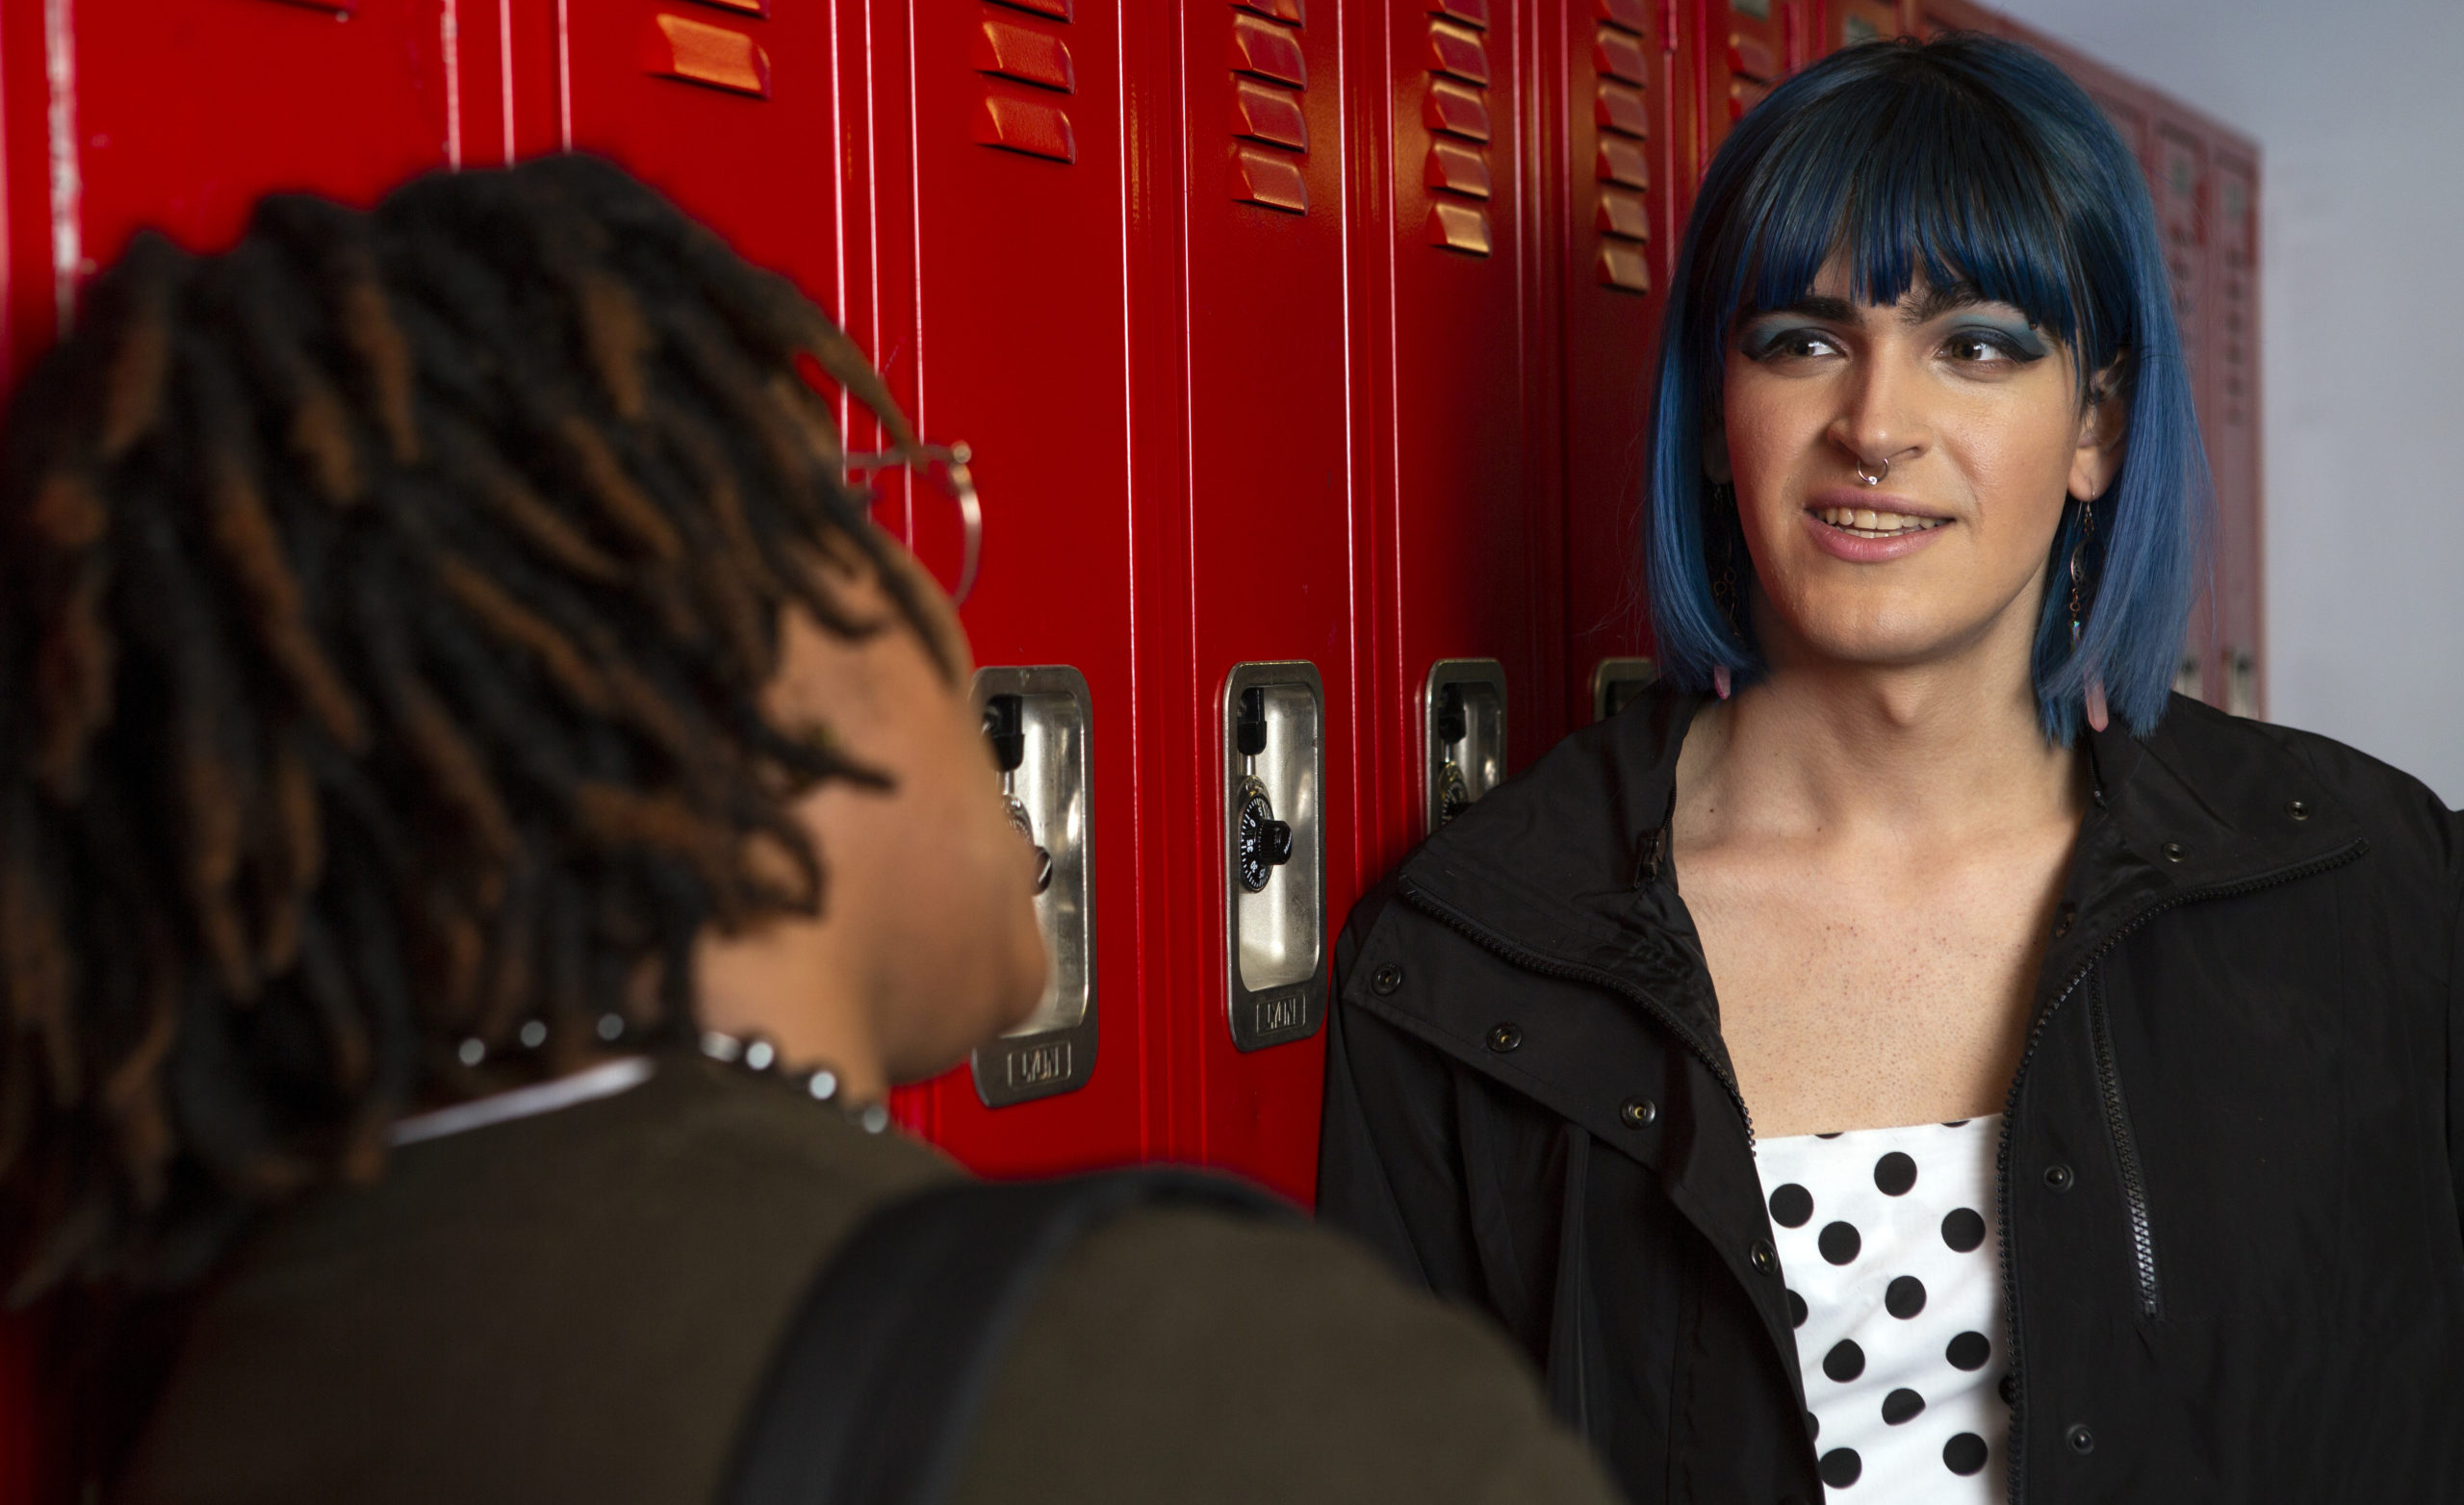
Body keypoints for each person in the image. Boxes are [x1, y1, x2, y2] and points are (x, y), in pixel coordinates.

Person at [0, 157, 1622, 1505]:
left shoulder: (231, 1379)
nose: (951, 617)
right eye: (871, 516)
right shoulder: (1194, 1383)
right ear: (757, 633)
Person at [1317, 34, 2464, 1504]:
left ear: (2097, 427)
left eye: (1976, 344)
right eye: (1801, 339)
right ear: (1721, 423)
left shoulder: (2372, 891)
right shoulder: (1478, 966)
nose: (1874, 426)